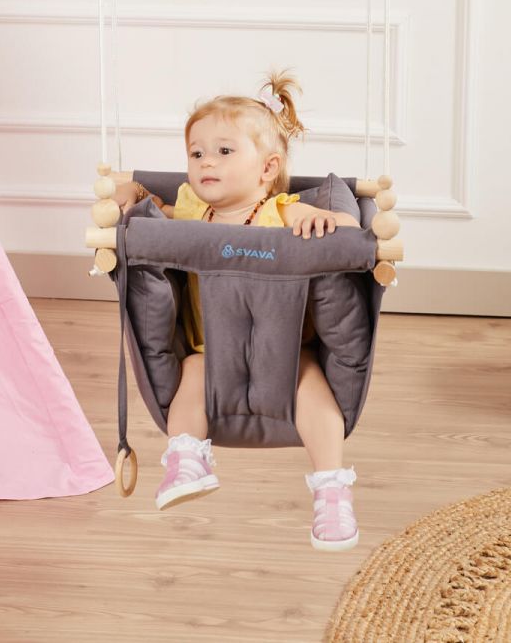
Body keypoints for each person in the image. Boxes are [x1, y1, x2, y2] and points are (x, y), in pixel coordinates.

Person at [113, 70, 363, 551]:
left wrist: (323, 219)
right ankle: (187, 458)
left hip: (288, 351)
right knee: (190, 374)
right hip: (212, 349)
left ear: (267, 169)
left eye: (225, 151)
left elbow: (345, 226)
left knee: (312, 387)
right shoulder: (189, 212)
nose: (207, 161)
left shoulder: (279, 212)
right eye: (197, 152)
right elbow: (142, 206)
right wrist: (127, 196)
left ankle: (332, 489)